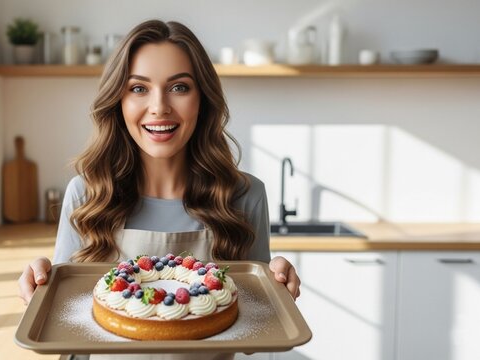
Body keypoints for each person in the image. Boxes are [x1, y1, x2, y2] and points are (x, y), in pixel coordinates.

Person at [18, 19, 301, 360]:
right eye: (139, 88)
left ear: (203, 99)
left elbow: (255, 332)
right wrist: (39, 282)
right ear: (118, 100)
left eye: (179, 87)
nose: (159, 107)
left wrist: (278, 287)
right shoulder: (88, 194)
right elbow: (64, 325)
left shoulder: (244, 195)